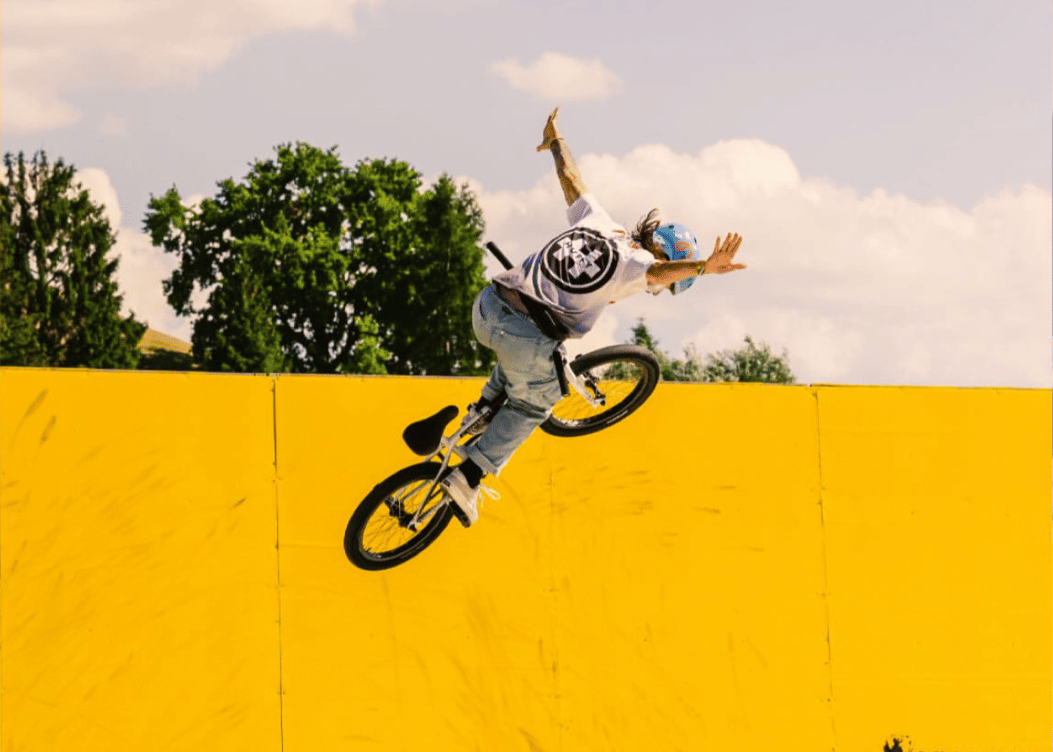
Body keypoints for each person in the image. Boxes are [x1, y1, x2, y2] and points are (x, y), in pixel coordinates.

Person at [441, 107, 746, 527]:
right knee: (538, 401)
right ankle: (469, 477)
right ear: (664, 253)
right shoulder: (639, 266)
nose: (659, 290)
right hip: (521, 333)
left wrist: (555, 140)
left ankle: (481, 411)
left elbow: (570, 178)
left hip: (487, 307)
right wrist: (702, 268)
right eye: (668, 286)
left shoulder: (599, 220)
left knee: (532, 361)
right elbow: (658, 272)